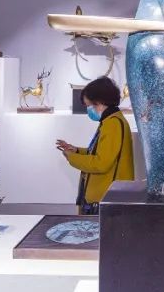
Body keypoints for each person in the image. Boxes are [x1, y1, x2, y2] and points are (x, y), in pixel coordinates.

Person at [56, 76, 135, 214]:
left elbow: (101, 163)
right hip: (105, 198)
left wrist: (71, 157)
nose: (88, 109)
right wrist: (76, 150)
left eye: (89, 105)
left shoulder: (113, 124)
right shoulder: (110, 121)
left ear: (100, 102)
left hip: (106, 199)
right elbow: (101, 152)